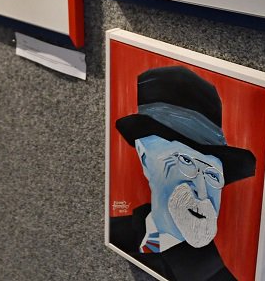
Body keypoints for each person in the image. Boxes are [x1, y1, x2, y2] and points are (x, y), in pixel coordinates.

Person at [110, 66, 256, 281]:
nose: (203, 193)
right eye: (186, 161)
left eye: (213, 175)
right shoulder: (113, 232)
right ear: (145, 158)